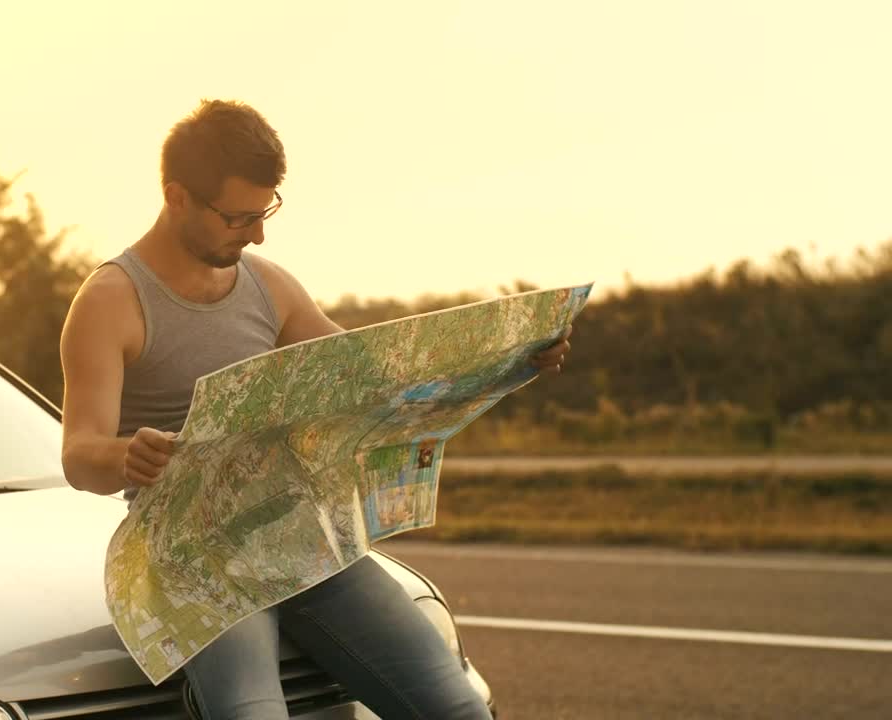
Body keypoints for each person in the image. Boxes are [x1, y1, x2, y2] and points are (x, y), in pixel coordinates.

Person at [60, 99, 571, 720]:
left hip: (302, 540)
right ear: (177, 197)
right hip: (195, 558)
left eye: (266, 212)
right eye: (239, 217)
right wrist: (126, 454)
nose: (257, 233)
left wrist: (512, 359)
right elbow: (79, 455)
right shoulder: (111, 300)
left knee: (458, 707)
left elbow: (372, 379)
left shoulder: (270, 286)